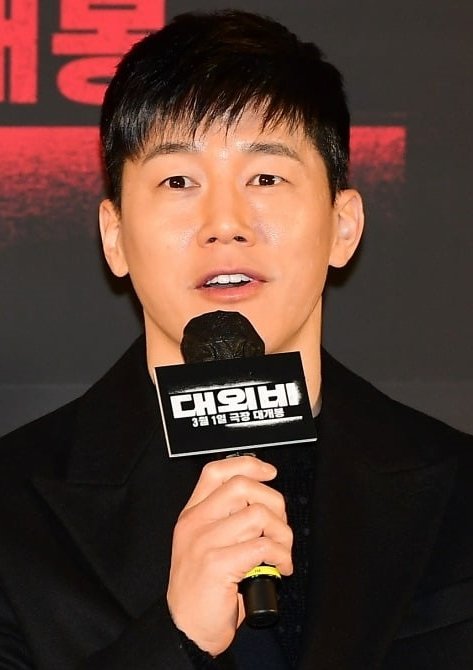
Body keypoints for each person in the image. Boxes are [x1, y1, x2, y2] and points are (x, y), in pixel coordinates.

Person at [1, 9, 472, 670]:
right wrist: (177, 638)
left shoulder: (457, 491)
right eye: (178, 181)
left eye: (265, 178)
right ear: (115, 236)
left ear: (343, 227)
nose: (224, 222)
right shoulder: (15, 509)